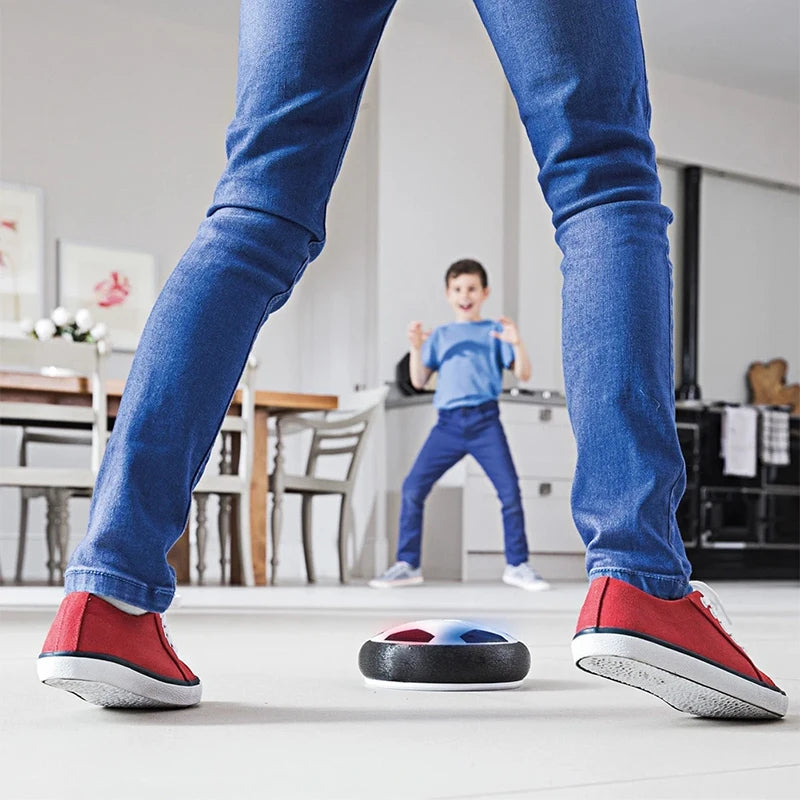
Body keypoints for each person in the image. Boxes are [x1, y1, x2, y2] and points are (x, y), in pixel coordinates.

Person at [37, 1, 787, 718]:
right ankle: (640, 581)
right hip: (456, 413)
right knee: (603, 177)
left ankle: (108, 597)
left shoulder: (485, 329)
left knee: (258, 204)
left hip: (478, 413)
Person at [369, 259, 550, 592]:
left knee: (509, 491)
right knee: (413, 487)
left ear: (484, 293)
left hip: (485, 422)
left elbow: (523, 374)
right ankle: (407, 564)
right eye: (457, 289)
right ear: (448, 294)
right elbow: (419, 380)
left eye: (471, 289)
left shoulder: (494, 331)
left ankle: (518, 565)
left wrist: (516, 342)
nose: (464, 295)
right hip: (448, 425)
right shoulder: (440, 336)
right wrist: (415, 348)